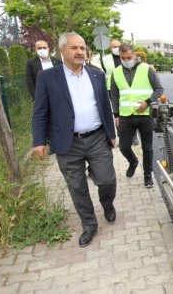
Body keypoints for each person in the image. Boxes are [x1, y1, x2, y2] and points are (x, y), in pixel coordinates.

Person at [32, 32, 117, 248]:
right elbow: (40, 112)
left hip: (98, 137)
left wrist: (112, 134)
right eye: (74, 48)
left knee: (106, 180)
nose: (80, 52)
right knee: (77, 186)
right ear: (62, 51)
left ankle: (107, 203)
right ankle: (89, 224)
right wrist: (39, 141)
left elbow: (105, 106)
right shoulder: (48, 77)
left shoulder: (97, 75)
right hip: (67, 142)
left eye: (82, 47)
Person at [109, 43, 164, 188]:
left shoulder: (147, 69)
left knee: (147, 148)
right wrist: (116, 114)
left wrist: (147, 102)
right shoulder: (116, 73)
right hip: (125, 116)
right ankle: (133, 161)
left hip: (145, 115)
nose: (126, 60)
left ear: (134, 55)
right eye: (123, 58)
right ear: (119, 57)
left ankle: (147, 176)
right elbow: (114, 95)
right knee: (124, 147)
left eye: (129, 57)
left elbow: (159, 89)